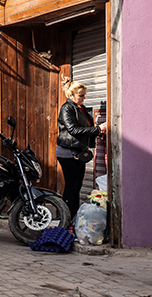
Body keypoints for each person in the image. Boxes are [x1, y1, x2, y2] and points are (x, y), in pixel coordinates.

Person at [57, 81, 107, 220]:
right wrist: (99, 128)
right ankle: (65, 218)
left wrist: (98, 133)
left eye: (85, 96)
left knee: (77, 186)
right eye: (81, 96)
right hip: (68, 153)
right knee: (71, 186)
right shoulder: (67, 108)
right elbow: (73, 130)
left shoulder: (82, 109)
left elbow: (86, 129)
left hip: (79, 152)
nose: (83, 99)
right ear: (71, 95)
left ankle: (73, 217)